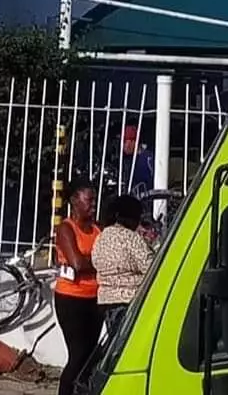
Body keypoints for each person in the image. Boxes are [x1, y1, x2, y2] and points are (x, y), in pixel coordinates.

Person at [54, 178, 102, 395]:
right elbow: (77, 263)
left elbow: (89, 261)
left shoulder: (97, 228)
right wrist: (100, 260)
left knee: (92, 354)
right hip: (70, 298)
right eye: (88, 200)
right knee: (78, 353)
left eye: (94, 200)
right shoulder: (66, 228)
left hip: (95, 298)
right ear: (74, 200)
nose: (92, 205)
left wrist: (91, 260)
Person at [92, 194, 154, 335]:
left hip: (106, 300)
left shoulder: (101, 237)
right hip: (129, 300)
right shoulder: (131, 238)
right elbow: (151, 268)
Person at [123, 125, 154, 199]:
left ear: (134, 141)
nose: (123, 146)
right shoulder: (127, 160)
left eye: (124, 141)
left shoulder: (148, 158)